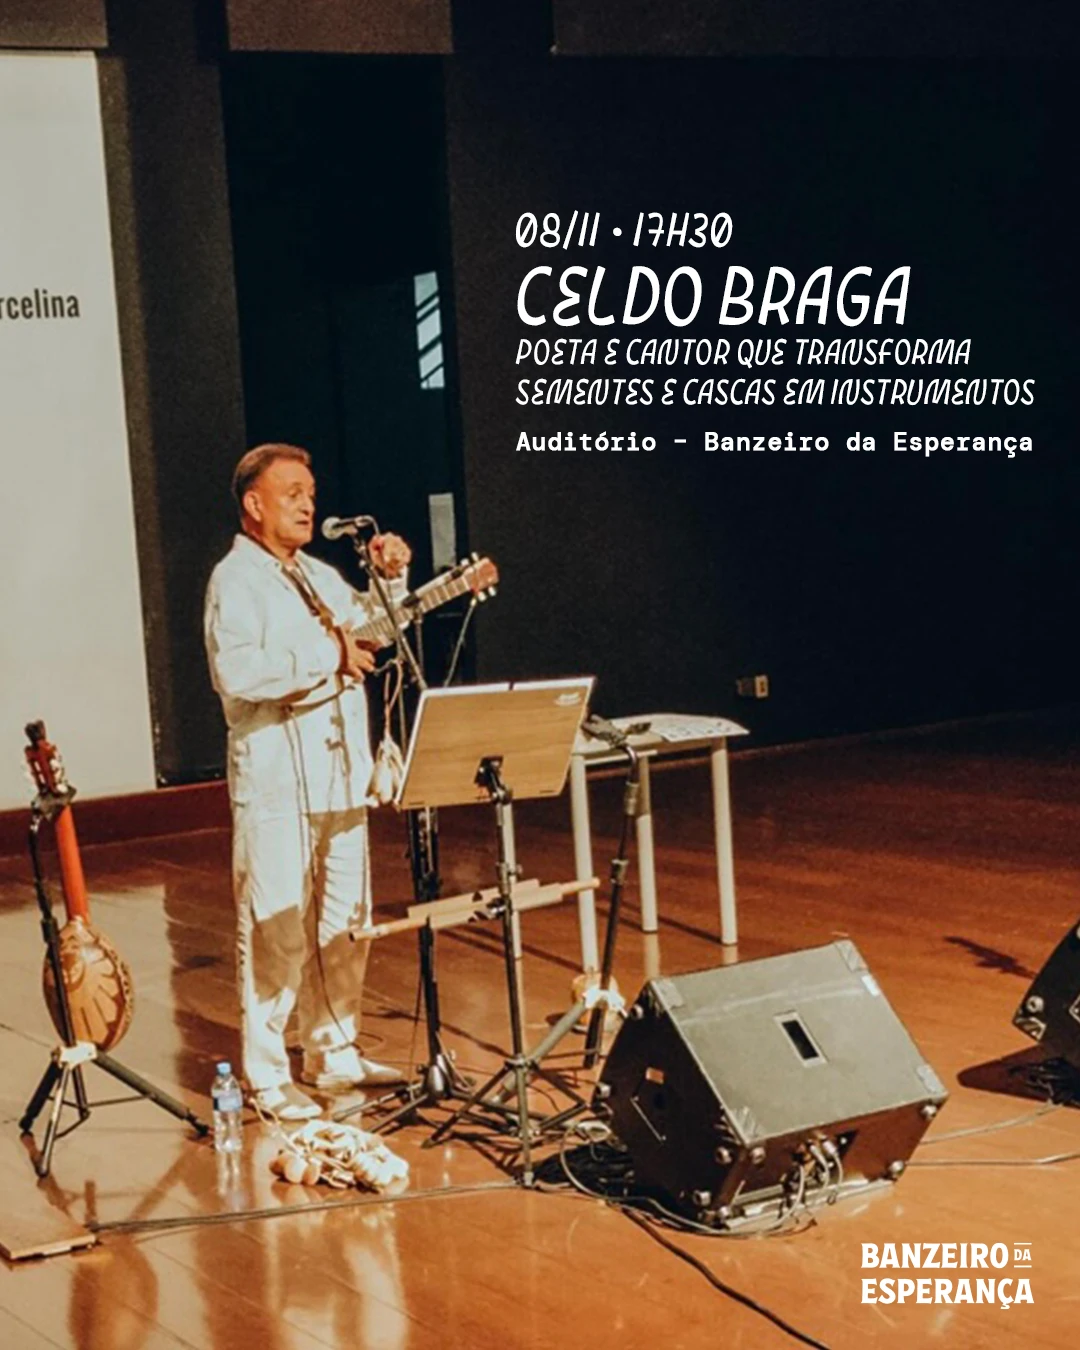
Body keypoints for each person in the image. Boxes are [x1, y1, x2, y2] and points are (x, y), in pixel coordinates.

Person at [204, 443, 412, 1120]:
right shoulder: (234, 581)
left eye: (311, 494)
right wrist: (328, 652)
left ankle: (333, 1051)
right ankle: (267, 1075)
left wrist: (393, 583)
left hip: (340, 775)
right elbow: (239, 673)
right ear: (253, 504)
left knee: (345, 922)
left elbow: (372, 632)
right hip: (274, 782)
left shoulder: (319, 576)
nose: (307, 504)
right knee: (276, 927)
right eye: (291, 492)